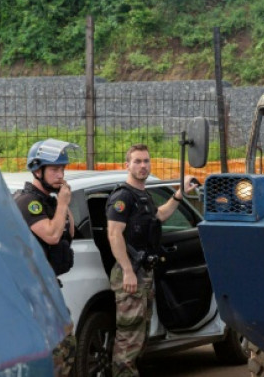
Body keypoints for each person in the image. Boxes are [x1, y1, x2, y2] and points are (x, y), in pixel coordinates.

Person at [105, 143, 199, 377]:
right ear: (127, 165)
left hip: (143, 273)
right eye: (137, 161)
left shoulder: (143, 196)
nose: (142, 165)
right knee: (128, 339)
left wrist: (178, 194)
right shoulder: (123, 196)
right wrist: (127, 270)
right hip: (131, 273)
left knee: (140, 336)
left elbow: (160, 216)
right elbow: (114, 233)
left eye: (146, 161)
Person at [14, 138, 79, 377]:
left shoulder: (48, 202)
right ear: (37, 170)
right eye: (54, 169)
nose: (60, 174)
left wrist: (63, 202)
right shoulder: (28, 203)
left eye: (62, 169)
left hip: (49, 286)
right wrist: (61, 203)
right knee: (55, 349)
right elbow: (52, 235)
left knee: (65, 345)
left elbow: (68, 232)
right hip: (33, 290)